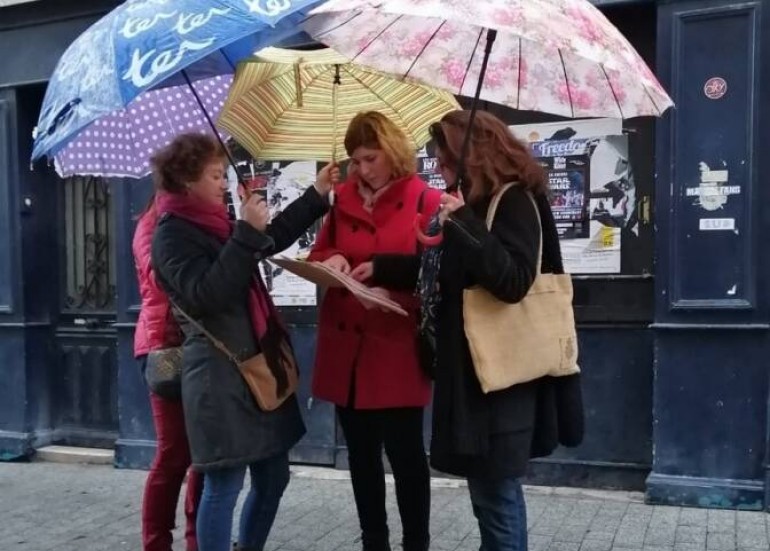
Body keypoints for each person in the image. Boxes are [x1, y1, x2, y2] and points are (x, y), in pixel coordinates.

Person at [370, 110, 584, 551]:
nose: (441, 171)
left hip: (503, 379)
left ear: (474, 156)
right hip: (476, 378)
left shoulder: (515, 200)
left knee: (497, 498)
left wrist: (462, 221)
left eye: (445, 161)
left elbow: (512, 282)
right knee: (489, 498)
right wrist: (379, 268)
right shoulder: (477, 204)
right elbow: (447, 273)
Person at [150, 133, 338, 551]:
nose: (222, 183)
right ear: (185, 180)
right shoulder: (171, 235)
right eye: (215, 175)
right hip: (219, 377)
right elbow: (206, 296)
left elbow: (270, 238)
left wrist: (317, 192)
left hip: (257, 368)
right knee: (224, 483)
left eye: (222, 174)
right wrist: (244, 235)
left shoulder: (215, 224)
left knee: (274, 477)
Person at [308, 112, 440, 551]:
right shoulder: (340, 198)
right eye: (355, 160)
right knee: (361, 457)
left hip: (395, 343)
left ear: (393, 152)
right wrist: (331, 260)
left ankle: (416, 543)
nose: (361, 169)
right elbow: (321, 249)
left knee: (406, 457)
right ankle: (374, 541)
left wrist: (387, 280)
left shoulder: (426, 200)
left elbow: (436, 274)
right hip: (347, 346)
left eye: (370, 158)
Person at [133, 196, 204, 551]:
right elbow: (160, 275)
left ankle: (199, 538)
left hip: (197, 345)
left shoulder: (192, 216)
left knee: (204, 450)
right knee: (174, 451)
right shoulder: (154, 222)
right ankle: (156, 542)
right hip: (163, 346)